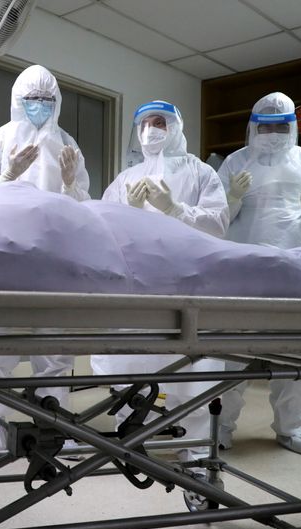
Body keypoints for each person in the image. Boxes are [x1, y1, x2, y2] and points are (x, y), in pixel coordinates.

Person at [91, 100, 229, 468]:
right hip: (139, 286)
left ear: (176, 127)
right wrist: (129, 216)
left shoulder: (201, 174)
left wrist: (175, 209)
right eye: (145, 123)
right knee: (130, 362)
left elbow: (219, 224)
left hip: (189, 285)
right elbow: (102, 230)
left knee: (195, 367)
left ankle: (196, 447)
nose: (151, 129)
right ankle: (133, 436)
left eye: (159, 122)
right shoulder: (125, 179)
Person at [0, 64, 90, 454]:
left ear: (57, 103)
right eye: (31, 99)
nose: (38, 105)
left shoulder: (68, 143)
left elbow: (84, 209)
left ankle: (52, 423)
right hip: (4, 258)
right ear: (17, 101)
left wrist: (71, 185)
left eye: (46, 99)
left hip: (54, 261)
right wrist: (7, 175)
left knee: (54, 349)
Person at [216, 91, 301, 459]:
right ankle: (219, 428)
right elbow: (215, 220)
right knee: (229, 358)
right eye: (264, 126)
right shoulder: (235, 161)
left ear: (292, 127)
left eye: (279, 126)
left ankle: (292, 428)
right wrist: (232, 198)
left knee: (294, 357)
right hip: (243, 271)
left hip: (293, 271)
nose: (271, 133)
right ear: (252, 126)